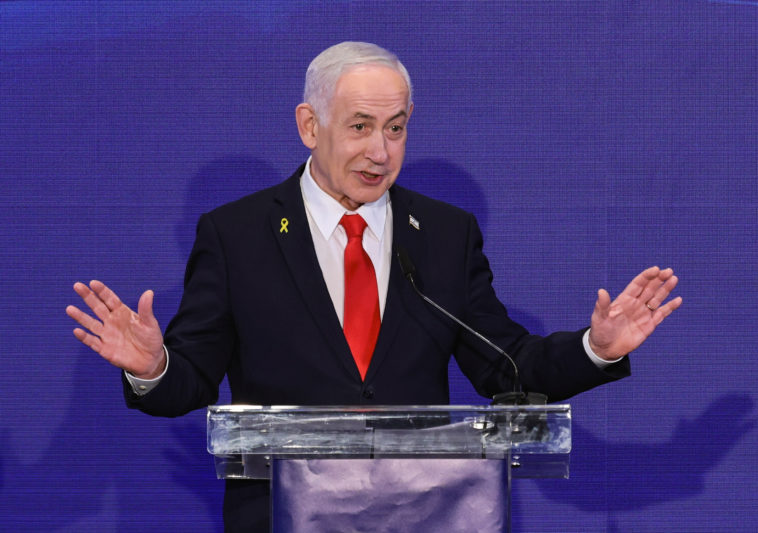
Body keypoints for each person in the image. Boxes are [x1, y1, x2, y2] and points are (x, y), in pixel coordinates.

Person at [66, 42, 682, 531]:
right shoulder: (237, 235)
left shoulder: (444, 234)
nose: (380, 152)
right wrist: (153, 367)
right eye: (360, 126)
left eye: (396, 128)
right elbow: (191, 378)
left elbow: (508, 365)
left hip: (427, 516)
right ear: (310, 125)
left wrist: (597, 349)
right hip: (282, 517)